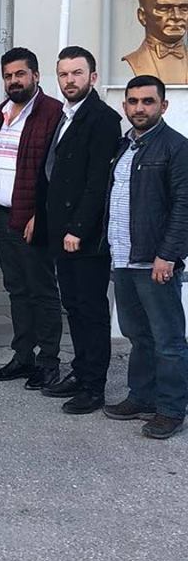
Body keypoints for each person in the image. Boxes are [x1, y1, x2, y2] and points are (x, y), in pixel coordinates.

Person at [35, 47, 121, 410]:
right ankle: (80, 371)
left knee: (91, 310)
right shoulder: (65, 114)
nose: (69, 80)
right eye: (64, 74)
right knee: (73, 305)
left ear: (93, 77)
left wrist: (79, 229)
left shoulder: (103, 119)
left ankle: (94, 386)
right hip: (61, 231)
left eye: (77, 73)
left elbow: (98, 181)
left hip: (84, 237)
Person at [103, 75, 188, 440]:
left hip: (154, 261)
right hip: (123, 256)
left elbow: (183, 205)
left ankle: (171, 409)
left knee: (168, 339)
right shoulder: (124, 145)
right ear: (125, 106)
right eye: (133, 101)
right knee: (138, 334)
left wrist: (168, 255)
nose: (139, 108)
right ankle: (141, 397)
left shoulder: (176, 147)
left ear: (163, 106)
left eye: (148, 101)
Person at [0, 47, 64, 387]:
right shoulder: (0, 113)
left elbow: (55, 173)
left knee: (42, 290)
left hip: (32, 218)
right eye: (8, 76)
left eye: (20, 74)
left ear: (35, 75)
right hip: (3, 216)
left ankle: (49, 362)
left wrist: (40, 215)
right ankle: (23, 356)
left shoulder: (52, 113)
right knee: (16, 288)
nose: (14, 81)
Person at [122, 0, 188, 84]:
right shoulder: (133, 62)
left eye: (184, 9)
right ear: (142, 16)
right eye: (164, 9)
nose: (176, 16)